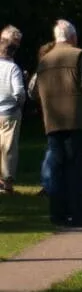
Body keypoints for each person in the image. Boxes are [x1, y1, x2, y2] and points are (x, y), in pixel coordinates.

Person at [28, 20, 82, 227]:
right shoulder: (79, 55)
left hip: (52, 120)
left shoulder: (44, 60)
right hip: (76, 119)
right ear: (72, 37)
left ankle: (57, 214)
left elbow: (32, 90)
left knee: (57, 168)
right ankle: (78, 214)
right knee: (76, 168)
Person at [0, 26, 25, 194]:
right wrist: (20, 103)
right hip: (9, 112)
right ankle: (7, 183)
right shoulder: (13, 68)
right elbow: (19, 92)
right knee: (8, 148)